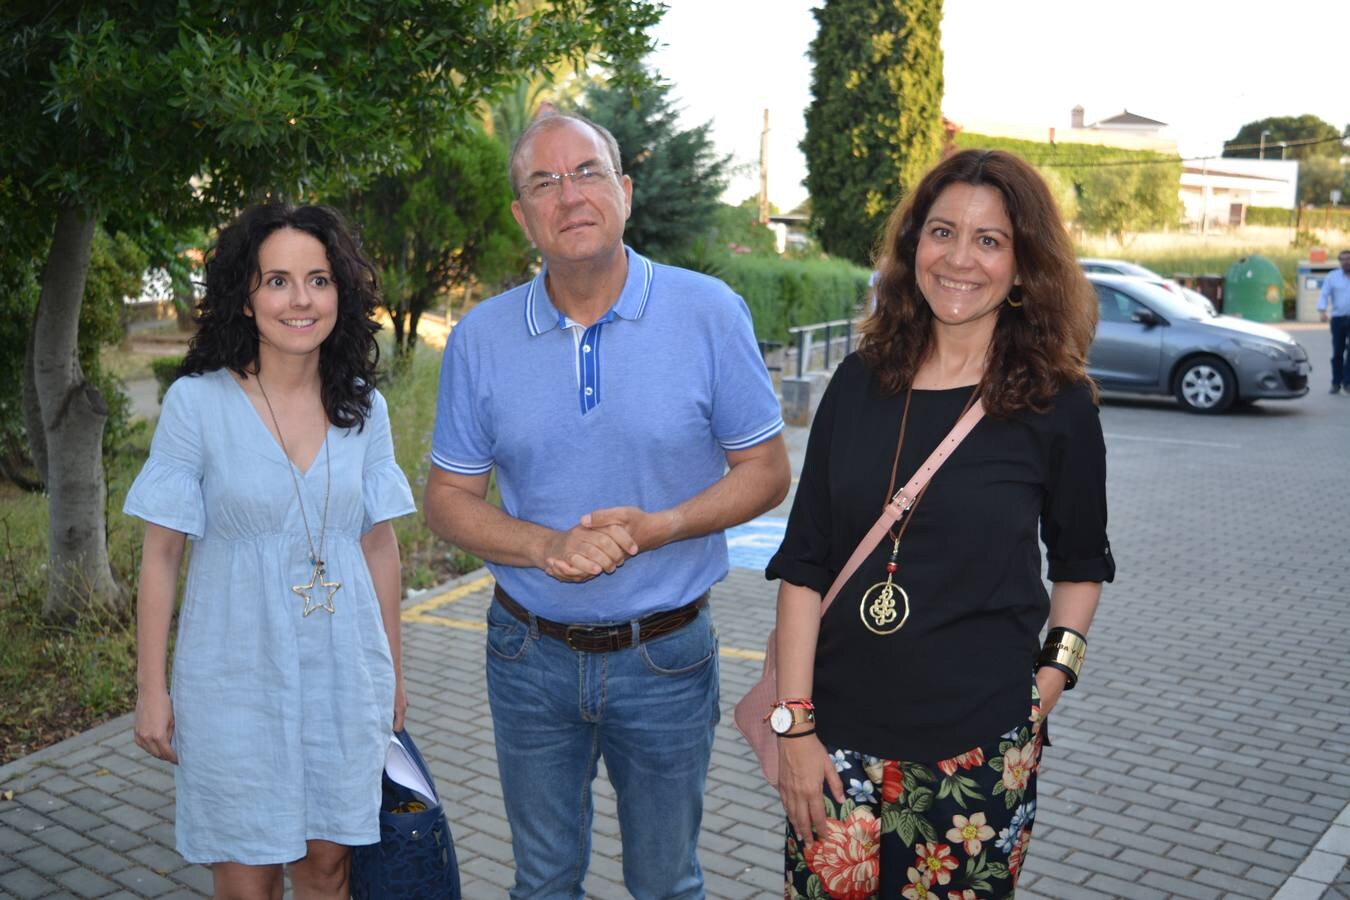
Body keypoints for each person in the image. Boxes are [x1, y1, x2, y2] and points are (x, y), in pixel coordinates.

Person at [424, 112, 790, 899]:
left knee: (665, 884)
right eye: (543, 182)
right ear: (522, 217)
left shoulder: (709, 312)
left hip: (666, 656)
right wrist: (542, 547)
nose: (570, 195)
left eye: (587, 172)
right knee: (543, 882)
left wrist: (664, 526)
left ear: (623, 192)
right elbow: (448, 499)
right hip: (526, 658)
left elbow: (765, 469)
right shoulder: (480, 339)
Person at [766, 149, 1115, 898]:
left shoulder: (1059, 404)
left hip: (978, 755)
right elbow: (804, 563)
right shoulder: (860, 382)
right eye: (942, 232)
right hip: (836, 746)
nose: (960, 259)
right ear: (912, 246)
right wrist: (793, 729)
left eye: (990, 240)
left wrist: (1049, 684)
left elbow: (1081, 563)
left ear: (1024, 266)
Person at [125, 203, 415, 898]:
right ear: (245, 297)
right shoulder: (198, 406)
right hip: (232, 676)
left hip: (344, 674)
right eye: (277, 281)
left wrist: (394, 679)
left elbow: (380, 547)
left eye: (317, 279)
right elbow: (161, 555)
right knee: (248, 878)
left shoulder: (363, 410)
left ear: (340, 294)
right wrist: (150, 689)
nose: (300, 299)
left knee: (326, 870)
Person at [1317, 249, 1350, 394]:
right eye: (1342, 259)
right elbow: (1324, 294)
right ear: (1339, 261)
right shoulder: (1333, 277)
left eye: (1348, 259)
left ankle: (1347, 382)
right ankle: (1336, 382)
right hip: (1338, 319)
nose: (1346, 262)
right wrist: (1322, 310)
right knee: (1338, 352)